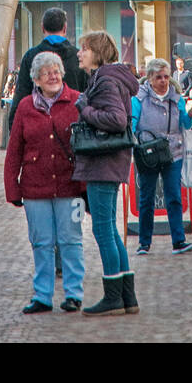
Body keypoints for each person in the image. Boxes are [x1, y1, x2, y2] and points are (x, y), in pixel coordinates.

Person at [4, 51, 85, 314]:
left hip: (69, 185)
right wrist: (12, 187)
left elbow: (86, 145)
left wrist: (85, 187)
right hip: (35, 187)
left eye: (56, 71)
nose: (52, 76)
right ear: (36, 80)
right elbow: (15, 149)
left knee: (71, 240)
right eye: (46, 72)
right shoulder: (26, 107)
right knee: (41, 242)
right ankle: (42, 295)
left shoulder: (77, 101)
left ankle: (74, 294)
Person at [72, 30, 139, 317]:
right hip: (111, 161)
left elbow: (116, 119)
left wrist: (85, 109)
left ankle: (113, 297)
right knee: (110, 229)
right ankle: (127, 297)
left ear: (97, 52)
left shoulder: (106, 80)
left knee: (102, 229)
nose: (79, 53)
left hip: (103, 161)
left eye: (84, 49)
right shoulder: (110, 77)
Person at [132, 58, 192, 256]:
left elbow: (184, 125)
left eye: (166, 77)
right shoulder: (138, 98)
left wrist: (190, 116)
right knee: (146, 198)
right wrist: (135, 142)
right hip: (148, 153)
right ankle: (144, 242)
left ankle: (179, 240)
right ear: (150, 78)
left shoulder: (177, 98)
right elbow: (133, 124)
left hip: (172, 153)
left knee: (174, 197)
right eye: (158, 77)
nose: (163, 81)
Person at [9, 8, 86, 127]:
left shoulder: (31, 57)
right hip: (73, 127)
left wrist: (14, 128)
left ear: (42, 28)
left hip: (38, 126)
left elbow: (21, 93)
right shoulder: (79, 58)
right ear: (65, 28)